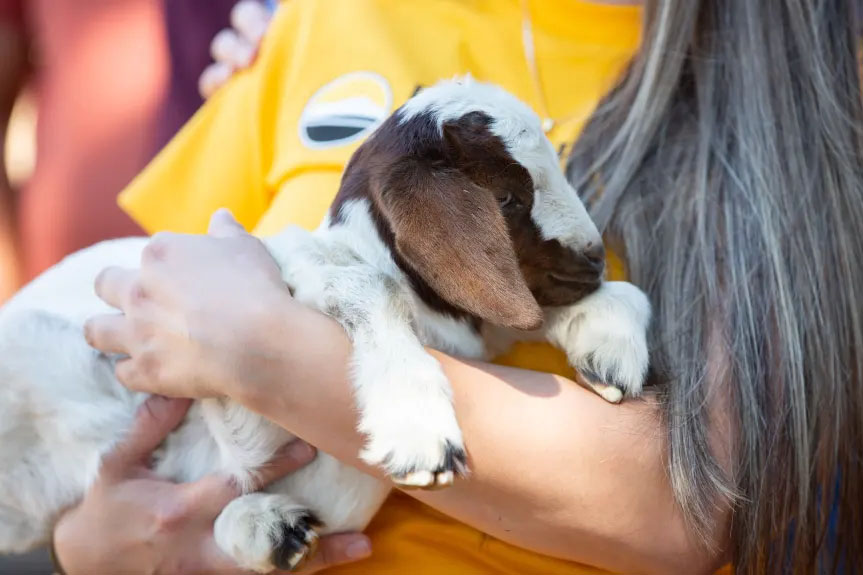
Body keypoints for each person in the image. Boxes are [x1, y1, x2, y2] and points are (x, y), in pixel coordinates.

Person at [55, 0, 863, 573]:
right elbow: (144, 323)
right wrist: (91, 540)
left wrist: (269, 350)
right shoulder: (317, 19)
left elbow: (684, 506)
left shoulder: (793, 84)